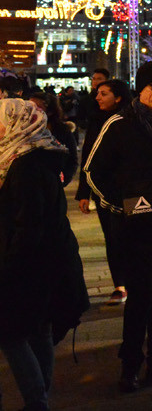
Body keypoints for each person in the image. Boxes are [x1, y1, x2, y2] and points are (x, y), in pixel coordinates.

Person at [83, 61, 152, 393]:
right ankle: (130, 364)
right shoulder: (119, 124)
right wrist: (119, 204)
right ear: (140, 90)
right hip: (133, 231)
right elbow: (92, 171)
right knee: (141, 297)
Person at [0, 99, 90, 411]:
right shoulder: (30, 155)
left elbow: (29, 226)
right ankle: (41, 396)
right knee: (38, 329)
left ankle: (37, 402)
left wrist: (9, 267)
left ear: (16, 124)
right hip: (46, 259)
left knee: (10, 333)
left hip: (29, 264)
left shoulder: (25, 165)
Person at [78, 79, 131, 306]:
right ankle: (119, 284)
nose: (97, 97)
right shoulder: (97, 120)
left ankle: (134, 281)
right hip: (104, 191)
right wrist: (84, 192)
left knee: (131, 237)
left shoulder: (130, 119)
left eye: (103, 93)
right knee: (112, 237)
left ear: (118, 97)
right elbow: (88, 158)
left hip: (131, 190)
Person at [27, 90, 78, 186]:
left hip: (51, 186)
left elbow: (72, 159)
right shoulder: (23, 129)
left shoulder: (62, 131)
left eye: (37, 107)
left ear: (50, 111)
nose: (31, 110)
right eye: (29, 106)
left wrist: (61, 182)